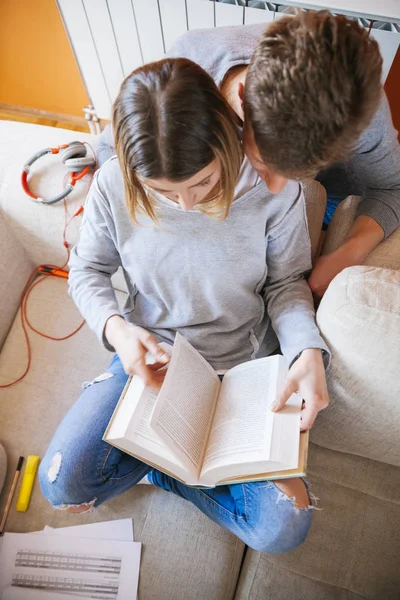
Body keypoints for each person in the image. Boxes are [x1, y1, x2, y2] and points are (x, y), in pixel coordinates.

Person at [39, 58, 329, 553]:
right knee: (62, 485)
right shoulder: (113, 183)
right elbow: (87, 273)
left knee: (285, 526)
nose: (188, 205)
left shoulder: (275, 189)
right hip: (156, 360)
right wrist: (117, 330)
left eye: (202, 182)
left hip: (244, 366)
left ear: (225, 145)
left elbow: (286, 283)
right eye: (163, 192)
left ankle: (163, 469)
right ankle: (175, 461)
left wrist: (307, 351)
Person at [98, 10, 400, 299]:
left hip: (338, 190)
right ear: (242, 98)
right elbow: (115, 144)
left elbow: (394, 187)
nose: (277, 189)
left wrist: (349, 251)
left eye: (293, 173)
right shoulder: (189, 63)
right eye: (265, 164)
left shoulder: (364, 113)